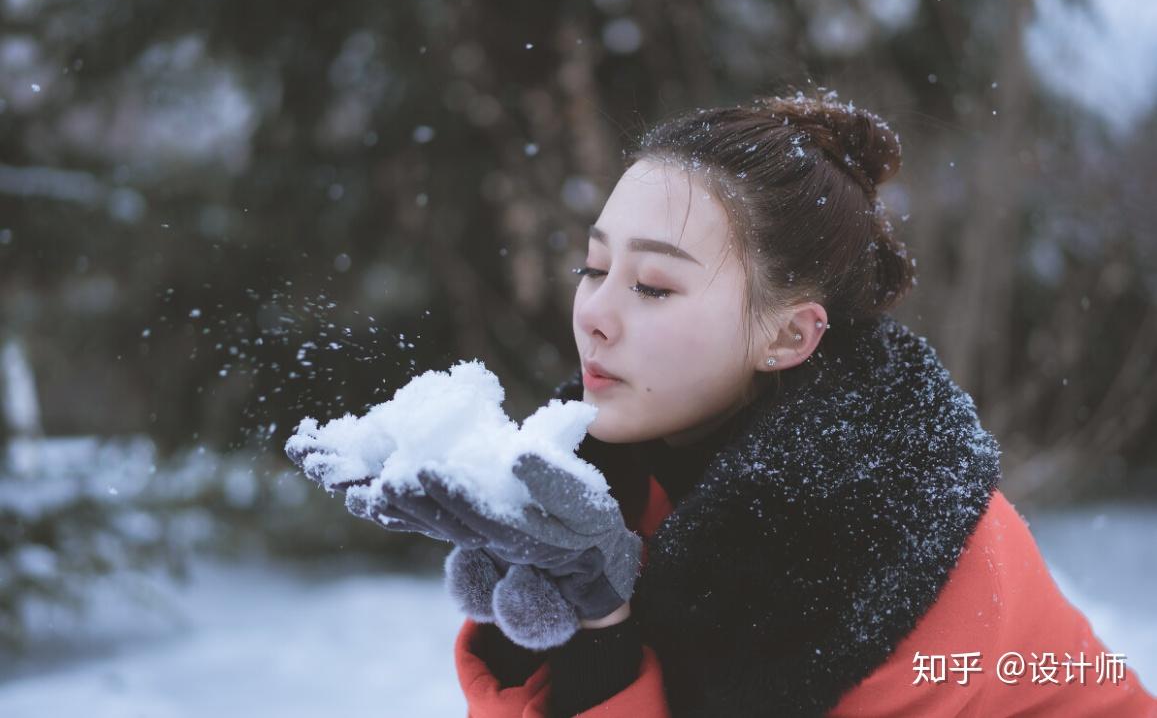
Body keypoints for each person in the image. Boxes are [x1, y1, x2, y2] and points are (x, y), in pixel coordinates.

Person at [297, 91, 1157, 716]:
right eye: (593, 267)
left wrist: (604, 621)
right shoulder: (615, 472)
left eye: (654, 286)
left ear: (788, 337)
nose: (593, 314)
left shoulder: (899, 554)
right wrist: (574, 626)